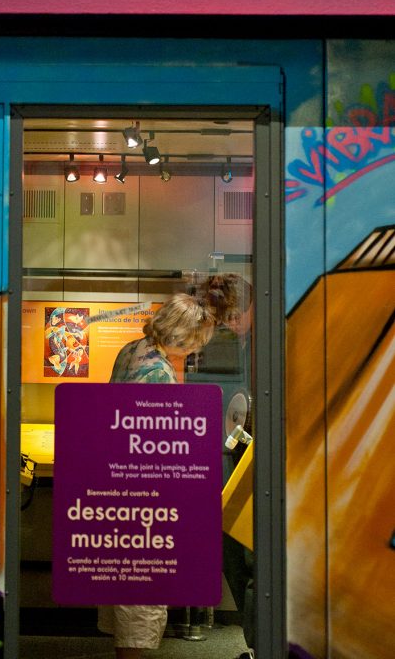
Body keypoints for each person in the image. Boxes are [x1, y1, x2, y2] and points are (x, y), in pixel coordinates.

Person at [97, 293, 216, 659]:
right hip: (143, 496)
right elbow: (153, 446)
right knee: (143, 594)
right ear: (183, 335)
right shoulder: (158, 374)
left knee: (127, 589)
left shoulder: (132, 348)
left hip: (116, 487)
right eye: (198, 340)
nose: (198, 348)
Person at [192, 273, 254, 659]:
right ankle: (255, 643)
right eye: (222, 316)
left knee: (249, 560)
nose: (229, 323)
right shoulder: (232, 346)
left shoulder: (265, 344)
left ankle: (260, 643)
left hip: (250, 467)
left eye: (234, 314)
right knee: (233, 558)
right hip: (228, 461)